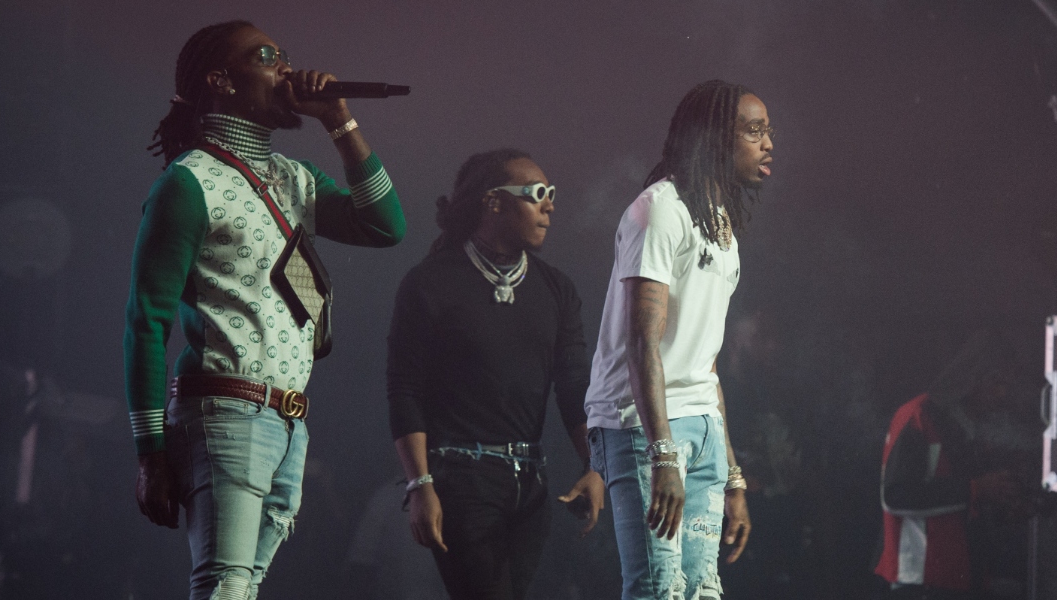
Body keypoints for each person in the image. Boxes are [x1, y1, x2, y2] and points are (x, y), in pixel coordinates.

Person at [123, 20, 405, 600]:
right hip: (224, 410)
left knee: (242, 586)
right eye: (267, 56)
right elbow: (146, 321)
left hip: (287, 419)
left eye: (285, 56)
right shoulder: (189, 182)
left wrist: (339, 120)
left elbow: (385, 226)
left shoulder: (293, 178)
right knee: (225, 582)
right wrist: (150, 453)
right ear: (221, 80)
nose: (286, 69)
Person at [386, 149, 604, 600]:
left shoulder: (557, 289)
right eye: (537, 193)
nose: (550, 205)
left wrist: (594, 464)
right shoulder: (430, 282)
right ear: (494, 203)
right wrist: (420, 484)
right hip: (460, 480)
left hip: (532, 487)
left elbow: (574, 386)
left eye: (551, 193)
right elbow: (405, 390)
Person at [583, 79, 773, 599]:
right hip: (643, 426)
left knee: (701, 592)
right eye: (753, 131)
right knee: (659, 589)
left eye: (768, 132)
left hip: (703, 426)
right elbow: (642, 343)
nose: (767, 144)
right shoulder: (659, 210)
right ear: (714, 137)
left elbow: (704, 363)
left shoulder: (722, 226)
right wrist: (663, 455)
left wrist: (732, 474)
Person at [876, 332, 1030, 600]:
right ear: (972, 378)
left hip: (961, 578)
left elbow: (962, 502)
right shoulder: (918, 415)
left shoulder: (968, 427)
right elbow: (896, 496)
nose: (1002, 394)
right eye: (996, 383)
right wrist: (976, 489)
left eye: (1007, 385)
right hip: (920, 581)